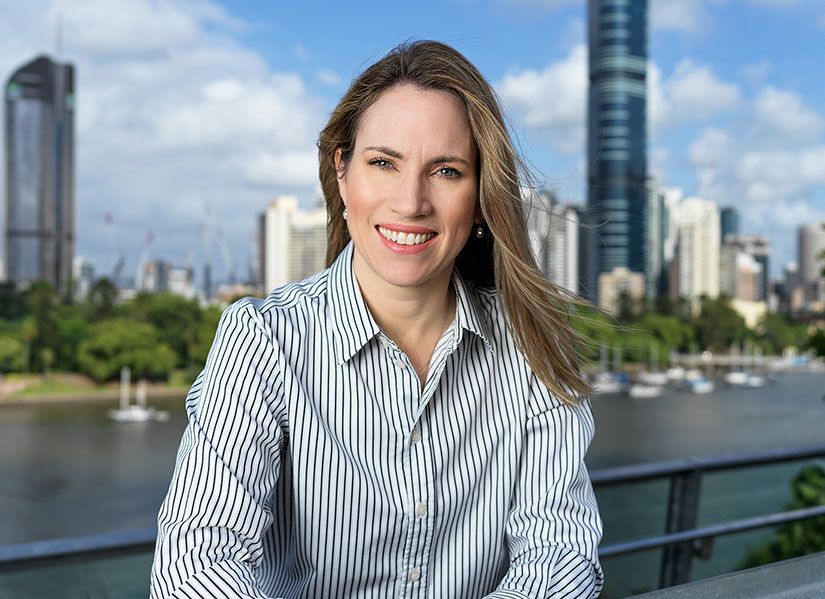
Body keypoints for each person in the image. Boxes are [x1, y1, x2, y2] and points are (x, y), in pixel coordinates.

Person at [150, 40, 603, 598]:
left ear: (482, 196)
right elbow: (195, 564)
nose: (411, 202)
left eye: (446, 171)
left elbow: (560, 555)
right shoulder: (264, 341)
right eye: (383, 163)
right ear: (343, 174)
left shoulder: (531, 348)